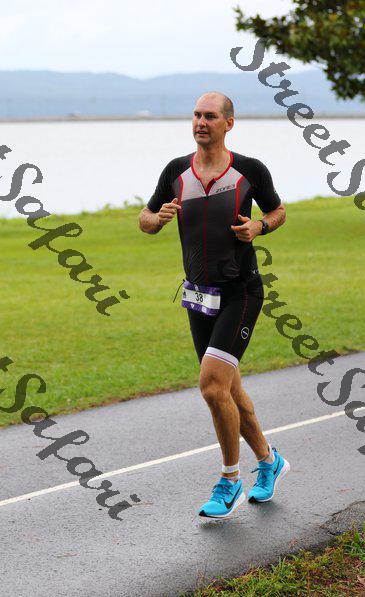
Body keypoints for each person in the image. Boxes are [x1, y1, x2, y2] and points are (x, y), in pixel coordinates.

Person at [138, 91, 290, 518]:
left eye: (209, 116)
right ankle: (270, 461)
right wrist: (158, 219)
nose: (200, 122)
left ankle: (229, 479)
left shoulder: (249, 170)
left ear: (228, 123)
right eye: (196, 115)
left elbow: (278, 211)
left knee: (211, 386)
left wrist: (259, 227)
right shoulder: (176, 171)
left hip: (241, 291)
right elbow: (144, 220)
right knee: (228, 388)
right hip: (197, 295)